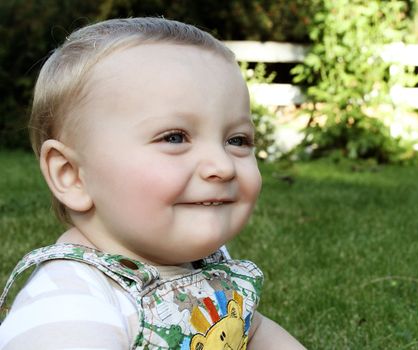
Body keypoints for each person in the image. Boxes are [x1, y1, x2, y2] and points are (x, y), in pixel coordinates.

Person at [0, 17, 305, 350]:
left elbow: (253, 331)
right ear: (71, 175)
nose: (222, 165)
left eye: (237, 140)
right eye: (174, 137)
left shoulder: (208, 267)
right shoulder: (69, 306)